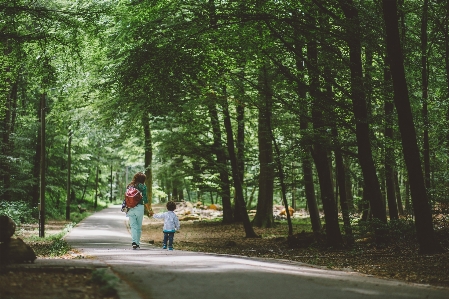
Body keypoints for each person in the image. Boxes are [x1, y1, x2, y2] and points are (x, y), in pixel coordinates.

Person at [126, 172, 150, 249]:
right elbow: (145, 199)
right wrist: (149, 209)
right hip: (139, 207)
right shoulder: (143, 187)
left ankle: (134, 242)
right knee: (138, 227)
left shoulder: (130, 185)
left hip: (130, 207)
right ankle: (137, 243)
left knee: (133, 226)